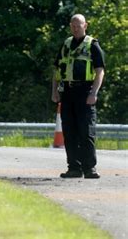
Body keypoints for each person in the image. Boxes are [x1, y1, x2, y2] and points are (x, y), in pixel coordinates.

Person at [52, 14, 105, 179]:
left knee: (86, 131)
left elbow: (100, 71)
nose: (76, 28)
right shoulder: (66, 44)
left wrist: (94, 93)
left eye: (79, 25)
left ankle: (90, 168)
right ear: (70, 26)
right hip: (67, 92)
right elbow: (56, 71)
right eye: (73, 25)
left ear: (85, 25)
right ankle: (74, 168)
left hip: (85, 92)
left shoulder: (92, 45)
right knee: (69, 131)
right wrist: (54, 91)